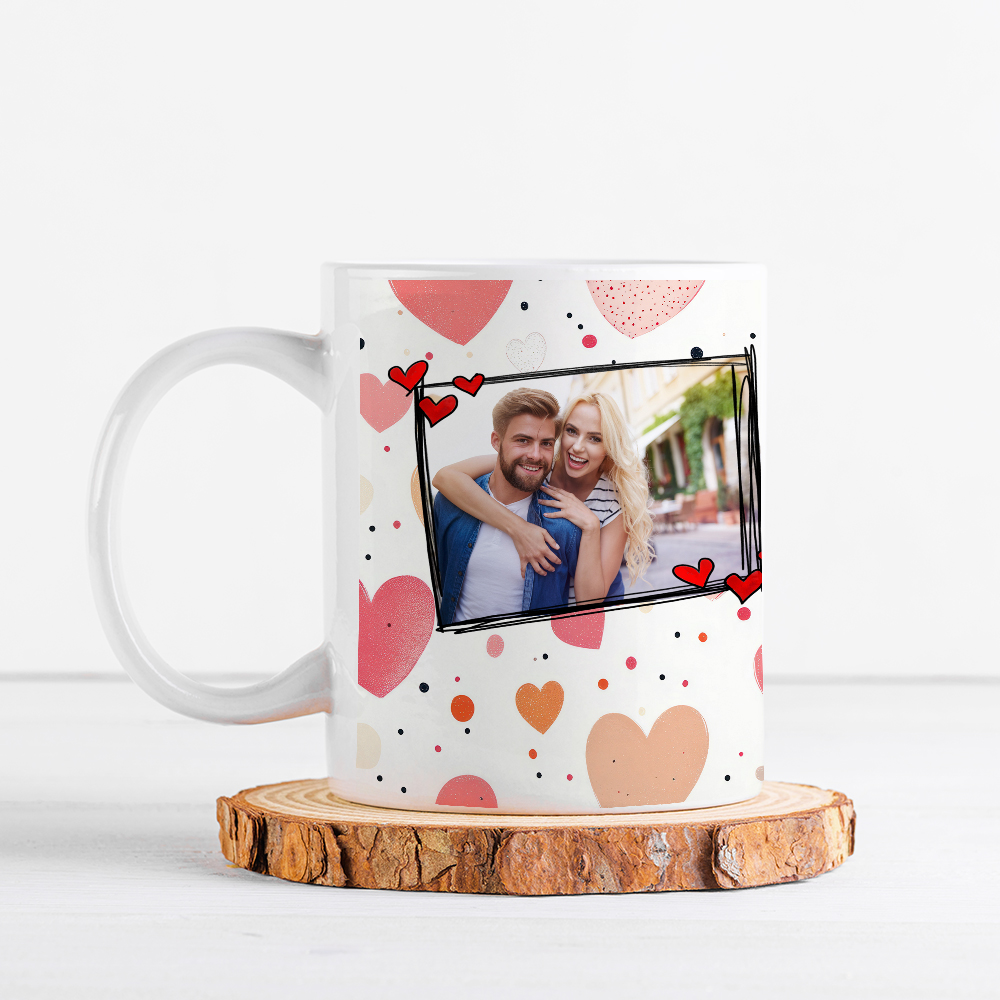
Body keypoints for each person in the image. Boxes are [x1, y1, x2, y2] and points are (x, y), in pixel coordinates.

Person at [433, 391, 653, 608]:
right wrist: (519, 529)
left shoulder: (614, 503)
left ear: (609, 447)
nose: (577, 447)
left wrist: (591, 526)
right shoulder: (536, 466)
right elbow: (446, 478)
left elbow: (590, 602)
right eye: (571, 431)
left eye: (595, 438)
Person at [432, 387, 583, 625]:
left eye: (546, 443)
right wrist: (519, 529)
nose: (535, 454)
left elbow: (592, 606)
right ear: (496, 441)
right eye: (523, 440)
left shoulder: (564, 526)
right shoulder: (451, 504)